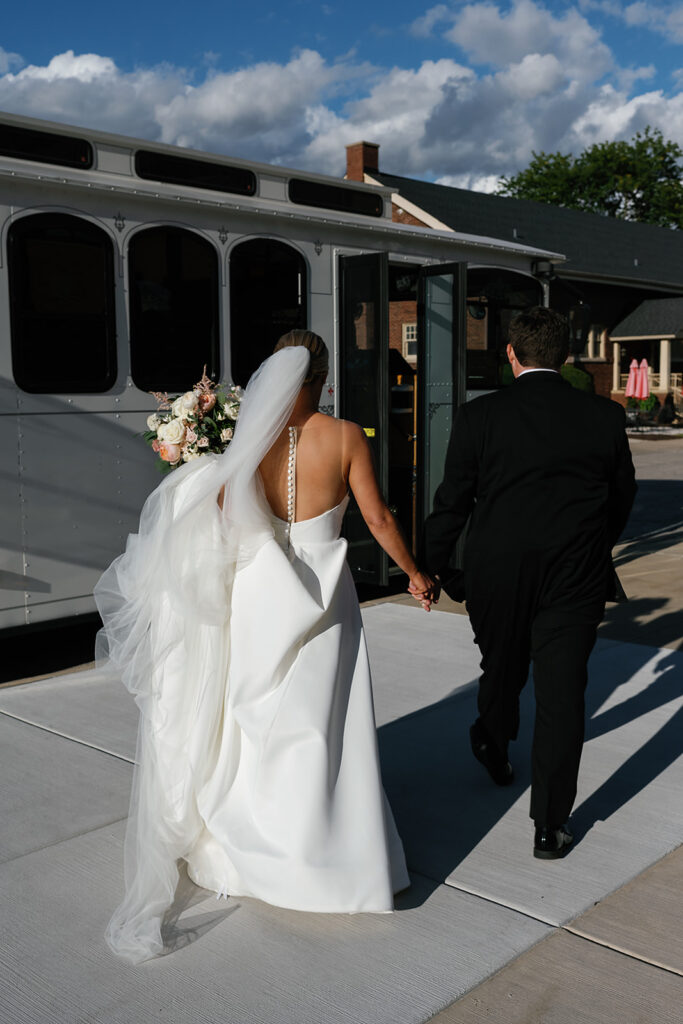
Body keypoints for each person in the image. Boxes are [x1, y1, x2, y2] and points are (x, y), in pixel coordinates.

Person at [95, 329, 435, 963]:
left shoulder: (246, 441)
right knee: (322, 722)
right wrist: (414, 574)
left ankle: (248, 841)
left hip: (258, 590)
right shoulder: (346, 437)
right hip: (324, 592)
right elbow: (378, 517)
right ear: (324, 379)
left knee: (254, 719)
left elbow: (221, 514)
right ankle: (324, 853)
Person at [421, 307, 636, 860]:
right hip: (575, 574)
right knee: (563, 696)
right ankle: (550, 826)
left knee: (502, 664)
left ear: (511, 354)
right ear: (565, 358)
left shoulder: (479, 416)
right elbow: (621, 499)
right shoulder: (605, 417)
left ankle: (492, 742)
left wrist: (429, 566)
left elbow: (453, 501)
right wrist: (593, 543)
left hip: (497, 571)